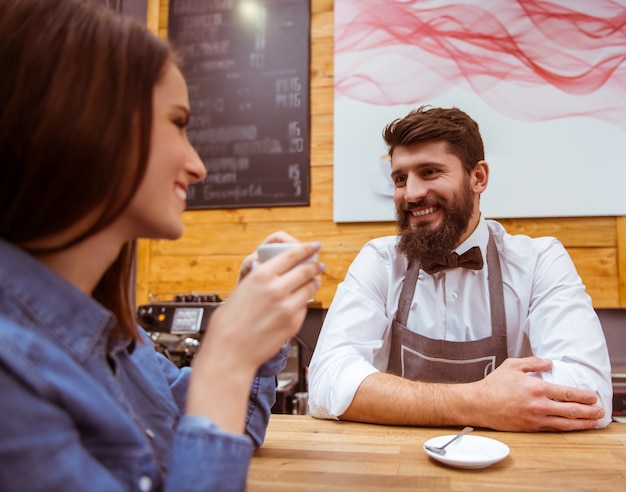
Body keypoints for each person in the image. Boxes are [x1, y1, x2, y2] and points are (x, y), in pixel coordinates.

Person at [0, 0, 323, 490]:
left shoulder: (121, 341)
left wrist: (253, 331)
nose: (199, 166)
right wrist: (226, 356)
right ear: (87, 123)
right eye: (177, 122)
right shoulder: (13, 373)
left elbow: (223, 429)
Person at [308, 105, 612, 432]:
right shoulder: (379, 260)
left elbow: (589, 395)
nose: (411, 193)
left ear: (478, 177)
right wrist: (478, 402)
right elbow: (327, 383)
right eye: (400, 178)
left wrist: (389, 396)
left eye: (430, 172)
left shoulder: (539, 261)